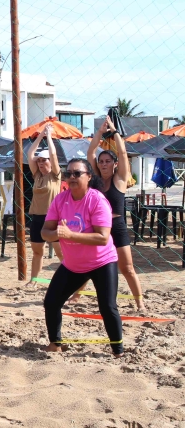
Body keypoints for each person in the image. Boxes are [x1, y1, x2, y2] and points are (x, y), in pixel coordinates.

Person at [41, 158, 123, 357]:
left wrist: (70, 235)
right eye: (68, 173)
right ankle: (55, 344)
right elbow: (45, 232)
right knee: (51, 302)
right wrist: (56, 234)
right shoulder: (60, 199)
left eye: (77, 173)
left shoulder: (97, 200)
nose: (71, 177)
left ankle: (118, 351)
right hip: (73, 265)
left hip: (102, 262)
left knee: (107, 306)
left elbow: (103, 238)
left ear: (89, 177)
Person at [87, 116, 145, 310]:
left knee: (127, 268)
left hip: (117, 227)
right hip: (98, 228)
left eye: (107, 161)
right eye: (101, 161)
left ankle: (139, 303)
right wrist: (99, 132)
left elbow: (122, 151)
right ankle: (78, 296)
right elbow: (91, 152)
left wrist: (115, 132)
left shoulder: (119, 178)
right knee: (88, 265)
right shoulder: (94, 179)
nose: (103, 164)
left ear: (114, 164)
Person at [26, 123, 64, 285]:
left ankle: (69, 280)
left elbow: (54, 156)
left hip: (53, 219)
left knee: (61, 253)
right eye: (39, 161)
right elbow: (29, 154)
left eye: (44, 161)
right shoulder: (37, 176)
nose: (41, 163)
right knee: (37, 251)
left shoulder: (55, 175)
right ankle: (34, 280)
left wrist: (49, 137)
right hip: (37, 217)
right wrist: (40, 135)